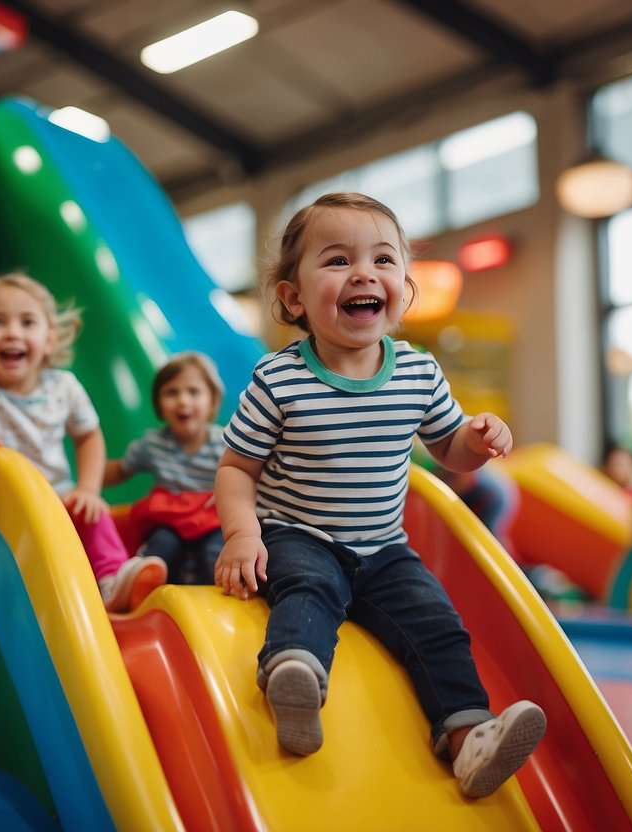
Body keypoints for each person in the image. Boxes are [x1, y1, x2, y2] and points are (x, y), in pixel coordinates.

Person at [213, 192, 546, 799]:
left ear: (402, 288)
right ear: (293, 297)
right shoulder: (278, 379)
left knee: (438, 625)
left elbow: (450, 451)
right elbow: (236, 468)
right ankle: (294, 679)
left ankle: (467, 738)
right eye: (337, 260)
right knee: (309, 592)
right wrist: (243, 532)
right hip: (298, 532)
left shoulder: (419, 374)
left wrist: (477, 438)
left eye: (383, 260)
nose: (364, 273)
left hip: (385, 548)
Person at [0, 272, 166, 612]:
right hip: (0, 517)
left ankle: (111, 581)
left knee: (91, 512)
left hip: (55, 502)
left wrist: (88, 488)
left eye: (28, 322)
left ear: (49, 340)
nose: (13, 332)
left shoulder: (63, 386)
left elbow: (88, 436)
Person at [105, 351, 227, 584]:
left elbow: (248, 477)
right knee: (161, 545)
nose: (183, 401)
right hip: (169, 519)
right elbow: (120, 470)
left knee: (215, 552)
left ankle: (217, 595)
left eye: (193, 392)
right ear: (159, 405)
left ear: (212, 401)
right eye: (172, 392)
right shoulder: (152, 444)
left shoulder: (224, 444)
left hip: (212, 519)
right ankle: (142, 586)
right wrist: (85, 477)